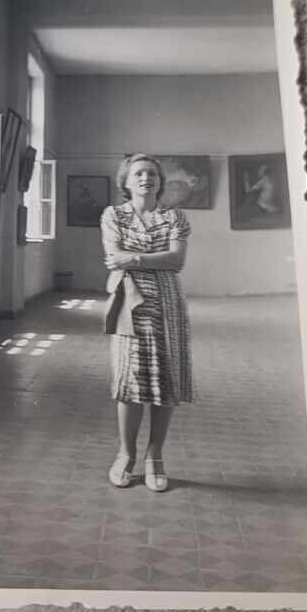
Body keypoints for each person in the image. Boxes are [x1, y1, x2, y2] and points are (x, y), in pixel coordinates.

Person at [100, 153, 192, 492]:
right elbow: (113, 258)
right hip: (129, 303)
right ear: (125, 181)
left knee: (164, 381)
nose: (145, 178)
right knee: (130, 380)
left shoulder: (174, 217)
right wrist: (153, 260)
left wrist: (134, 257)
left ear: (160, 182)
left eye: (152, 173)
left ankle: (155, 456)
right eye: (138, 173)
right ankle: (126, 453)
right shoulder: (113, 215)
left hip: (167, 304)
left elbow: (177, 260)